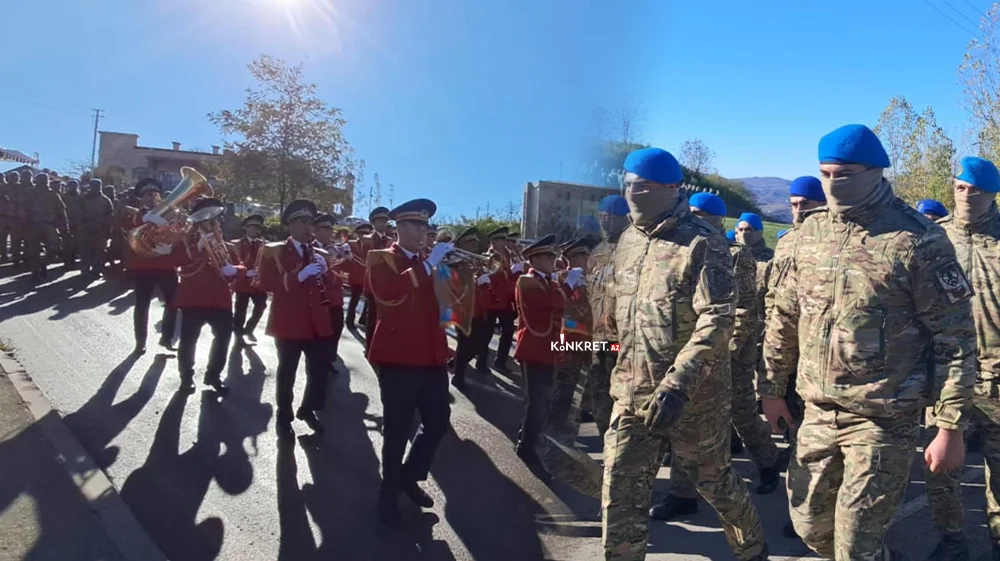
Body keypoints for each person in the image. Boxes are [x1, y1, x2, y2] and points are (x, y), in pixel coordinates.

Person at [761, 124, 975, 561]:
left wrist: (949, 426)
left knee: (856, 540)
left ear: (876, 172)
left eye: (845, 173)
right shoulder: (806, 237)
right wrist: (770, 390)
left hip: (883, 418)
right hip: (816, 411)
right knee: (810, 526)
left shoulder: (917, 239)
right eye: (825, 173)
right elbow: (783, 318)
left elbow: (955, 336)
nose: (833, 182)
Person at [603, 147, 767, 561]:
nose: (632, 193)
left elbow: (716, 320)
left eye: (642, 187)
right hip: (632, 395)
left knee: (716, 485)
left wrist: (677, 386)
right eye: (628, 185)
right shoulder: (627, 241)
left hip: (694, 398)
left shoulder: (701, 242)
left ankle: (752, 550)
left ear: (670, 189)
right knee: (620, 490)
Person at [651, 191, 780, 522]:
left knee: (740, 412)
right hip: (690, 351)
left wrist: (731, 347)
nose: (691, 216)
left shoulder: (738, 257)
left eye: (699, 213)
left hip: (728, 351)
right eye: (689, 210)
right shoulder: (679, 247)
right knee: (684, 421)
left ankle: (767, 461)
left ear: (715, 220)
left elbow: (745, 309)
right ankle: (683, 493)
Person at [922, 156, 1000, 560]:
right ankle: (952, 541)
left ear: (992, 195)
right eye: (960, 187)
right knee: (940, 470)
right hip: (946, 374)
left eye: (976, 190)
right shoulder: (934, 237)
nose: (966, 195)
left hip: (996, 377)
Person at [366, 198, 453, 524]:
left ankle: (408, 474)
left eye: (426, 227)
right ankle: (387, 497)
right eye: (417, 226)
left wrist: (456, 278)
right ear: (400, 228)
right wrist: (429, 265)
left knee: (438, 421)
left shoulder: (428, 260)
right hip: (398, 357)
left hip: (431, 355)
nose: (424, 232)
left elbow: (444, 305)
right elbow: (390, 297)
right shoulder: (381, 259)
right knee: (397, 430)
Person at [257, 200, 335, 440]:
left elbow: (333, 286)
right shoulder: (274, 249)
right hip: (288, 322)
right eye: (301, 222)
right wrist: (297, 276)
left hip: (316, 322)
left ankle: (308, 408)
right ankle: (284, 415)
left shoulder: (320, 252)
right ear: (289, 225)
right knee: (287, 371)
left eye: (309, 222)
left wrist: (327, 272)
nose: (307, 227)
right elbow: (266, 282)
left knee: (320, 369)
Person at [167, 198, 244, 394]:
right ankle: (186, 378)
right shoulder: (184, 239)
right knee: (189, 339)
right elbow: (174, 261)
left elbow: (241, 266)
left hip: (220, 299)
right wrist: (199, 247)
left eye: (213, 219)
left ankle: (214, 375)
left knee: (224, 337)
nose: (212, 223)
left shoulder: (225, 244)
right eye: (206, 219)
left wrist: (233, 269)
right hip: (193, 297)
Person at [586, 194, 628, 440]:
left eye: (610, 218)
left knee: (623, 398)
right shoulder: (598, 252)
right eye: (601, 217)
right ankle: (607, 442)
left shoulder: (633, 249)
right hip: (597, 338)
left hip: (621, 339)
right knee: (598, 397)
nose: (604, 223)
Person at [122, 178, 179, 354]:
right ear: (141, 198)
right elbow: (130, 232)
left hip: (165, 265)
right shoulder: (135, 215)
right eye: (147, 195)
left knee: (173, 303)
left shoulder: (169, 215)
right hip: (144, 266)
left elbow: (178, 234)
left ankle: (167, 338)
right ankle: (140, 342)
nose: (152, 197)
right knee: (142, 305)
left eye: (155, 194)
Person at [448, 226, 486, 390]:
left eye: (475, 243)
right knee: (464, 344)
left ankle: (455, 362)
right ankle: (458, 376)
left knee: (479, 344)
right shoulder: (454, 261)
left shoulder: (475, 260)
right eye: (470, 243)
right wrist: (476, 280)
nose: (474, 247)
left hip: (478, 308)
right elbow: (453, 283)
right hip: (462, 308)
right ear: (462, 244)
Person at [478, 227, 517, 373]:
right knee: (487, 333)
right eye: (501, 240)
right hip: (492, 299)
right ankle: (481, 362)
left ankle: (500, 361)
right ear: (493, 241)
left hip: (505, 300)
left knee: (507, 331)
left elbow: (508, 277)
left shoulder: (508, 256)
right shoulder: (487, 256)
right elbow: (489, 278)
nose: (505, 243)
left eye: (505, 240)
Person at [313, 214, 346, 364]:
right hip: (317, 298)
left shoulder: (337, 250)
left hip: (335, 297)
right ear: (316, 231)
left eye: (329, 229)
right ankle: (320, 360)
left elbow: (346, 273)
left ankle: (330, 357)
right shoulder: (309, 248)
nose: (328, 233)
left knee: (337, 327)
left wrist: (348, 256)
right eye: (324, 229)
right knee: (318, 334)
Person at [232, 214, 268, 345]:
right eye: (252, 227)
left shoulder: (264, 244)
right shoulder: (236, 244)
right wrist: (246, 272)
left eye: (257, 228)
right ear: (245, 228)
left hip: (258, 284)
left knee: (261, 306)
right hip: (243, 282)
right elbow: (233, 262)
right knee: (240, 310)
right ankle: (238, 334)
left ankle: (249, 329)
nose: (255, 230)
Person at [25, 172, 68, 280]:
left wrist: (65, 226)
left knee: (54, 249)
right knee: (32, 250)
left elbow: (61, 211)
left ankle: (43, 264)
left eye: (44, 180)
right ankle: (35, 270)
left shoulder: (53, 194)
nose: (43, 182)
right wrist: (24, 223)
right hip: (33, 225)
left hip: (50, 226)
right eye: (40, 179)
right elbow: (23, 209)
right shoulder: (29, 193)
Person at [360, 206, 391, 350]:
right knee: (372, 316)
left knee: (384, 317)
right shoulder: (367, 239)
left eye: (384, 221)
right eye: (379, 221)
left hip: (387, 283)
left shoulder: (391, 240)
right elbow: (367, 258)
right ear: (373, 222)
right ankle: (370, 346)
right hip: (373, 282)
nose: (383, 224)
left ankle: (380, 344)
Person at [79, 178, 113, 280]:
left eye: (98, 186)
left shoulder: (106, 200)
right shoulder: (83, 198)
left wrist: (107, 230)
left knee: (99, 251)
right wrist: (81, 226)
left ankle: (96, 270)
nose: (96, 188)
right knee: (85, 251)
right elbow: (78, 214)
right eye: (93, 186)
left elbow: (110, 216)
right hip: (86, 229)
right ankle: (84, 270)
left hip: (100, 230)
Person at [344, 223, 372, 329]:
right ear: (357, 233)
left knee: (368, 301)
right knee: (354, 300)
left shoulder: (371, 245)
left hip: (367, 278)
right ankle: (349, 322)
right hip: (355, 277)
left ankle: (363, 320)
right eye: (361, 233)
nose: (364, 235)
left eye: (367, 233)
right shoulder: (350, 244)